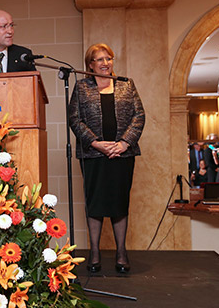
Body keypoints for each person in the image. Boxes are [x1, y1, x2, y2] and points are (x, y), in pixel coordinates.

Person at [69, 43, 145, 274]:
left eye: (108, 58)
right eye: (99, 59)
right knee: (95, 203)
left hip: (123, 154)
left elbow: (138, 115)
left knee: (119, 203)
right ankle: (94, 252)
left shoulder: (126, 83)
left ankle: (121, 253)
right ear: (90, 64)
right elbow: (75, 118)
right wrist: (96, 143)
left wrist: (123, 143)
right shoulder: (82, 87)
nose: (105, 63)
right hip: (93, 155)